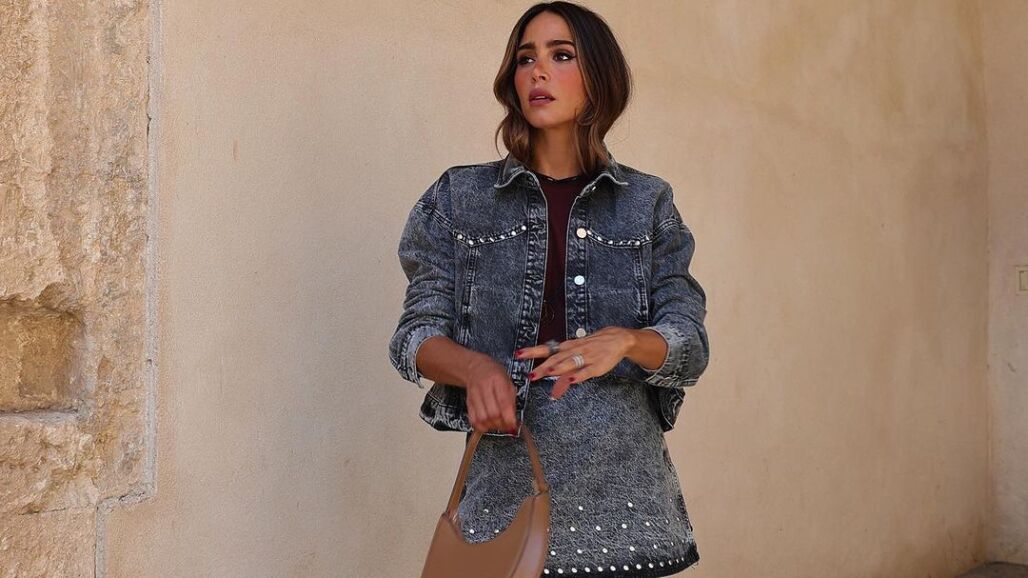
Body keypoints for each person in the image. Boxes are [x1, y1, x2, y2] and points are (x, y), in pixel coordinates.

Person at [387, 2, 710, 576]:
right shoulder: (460, 198)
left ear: (599, 77)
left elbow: (689, 343)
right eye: (525, 59)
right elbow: (414, 338)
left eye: (561, 56)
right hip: (503, 496)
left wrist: (625, 342)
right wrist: (476, 369)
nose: (538, 71)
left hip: (625, 504)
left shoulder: (648, 203)